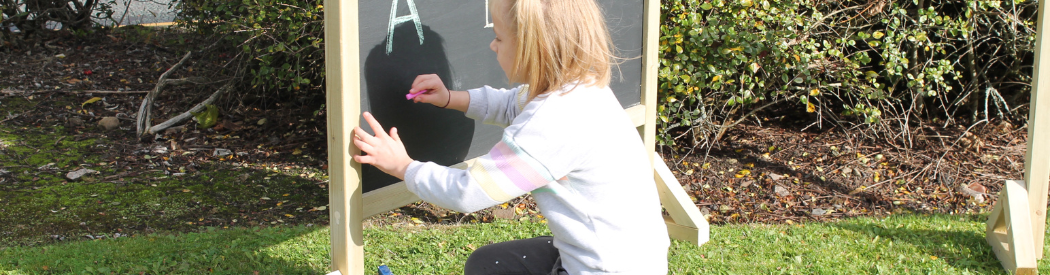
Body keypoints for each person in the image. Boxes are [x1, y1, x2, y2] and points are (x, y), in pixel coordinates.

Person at [351, 0, 669, 273]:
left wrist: (403, 167)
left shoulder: (556, 122)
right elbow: (509, 105)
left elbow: (468, 192)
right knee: (488, 264)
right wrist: (450, 97)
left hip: (605, 269)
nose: (492, 45)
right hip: (628, 256)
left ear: (534, 48)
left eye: (499, 38)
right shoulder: (577, 89)